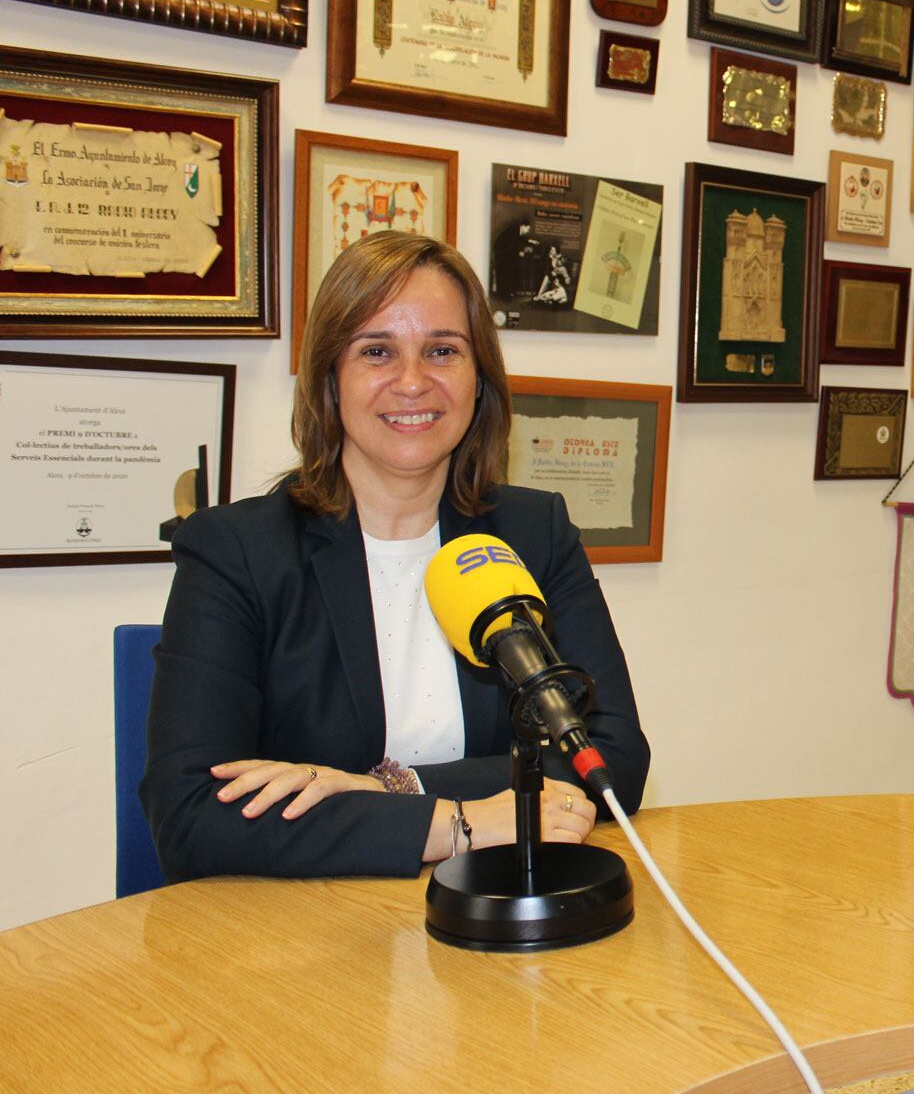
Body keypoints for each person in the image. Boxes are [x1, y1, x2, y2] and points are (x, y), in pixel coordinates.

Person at [142, 232, 651, 880]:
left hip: (491, 912)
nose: (413, 382)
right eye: (377, 351)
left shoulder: (533, 533)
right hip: (304, 938)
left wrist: (389, 788)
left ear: (479, 380)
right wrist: (456, 823)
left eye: (442, 350)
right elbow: (188, 816)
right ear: (331, 376)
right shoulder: (237, 553)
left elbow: (611, 762)